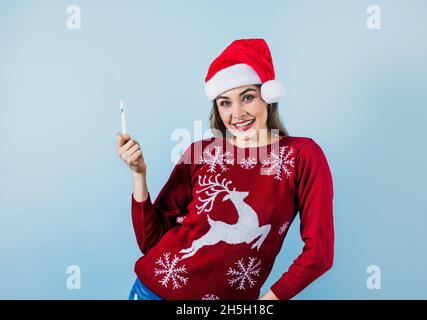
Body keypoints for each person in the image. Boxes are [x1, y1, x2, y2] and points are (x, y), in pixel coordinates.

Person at [116, 39, 334, 300]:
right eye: (225, 103)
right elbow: (150, 242)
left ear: (268, 98)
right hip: (153, 292)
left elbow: (319, 255)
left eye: (248, 97)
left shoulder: (302, 156)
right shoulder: (200, 152)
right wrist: (139, 174)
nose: (238, 113)